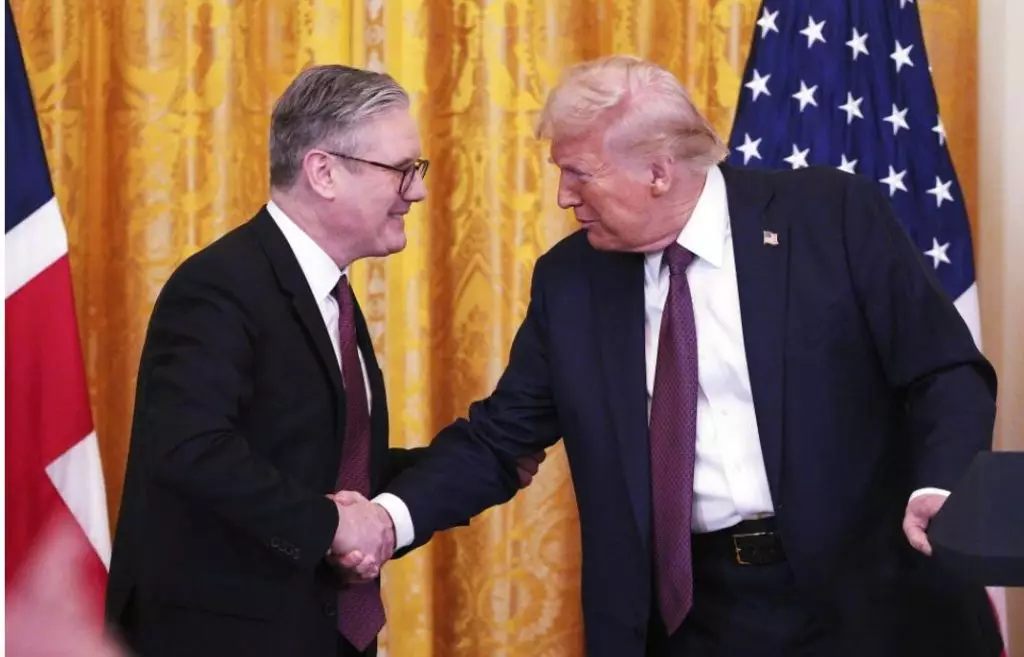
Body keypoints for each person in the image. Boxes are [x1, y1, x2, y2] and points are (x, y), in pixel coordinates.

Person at [358, 55, 1004, 657]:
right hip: (694, 617)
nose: (563, 196)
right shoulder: (572, 280)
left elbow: (944, 370)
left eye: (578, 172)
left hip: (874, 597)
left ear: (659, 171)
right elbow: (501, 438)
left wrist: (940, 483)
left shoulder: (826, 216)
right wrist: (387, 519)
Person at [105, 64, 542, 657]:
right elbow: (191, 448)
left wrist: (478, 463)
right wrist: (334, 526)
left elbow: (329, 469)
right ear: (324, 172)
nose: (417, 191)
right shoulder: (219, 286)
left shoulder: (329, 293)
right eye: (402, 170)